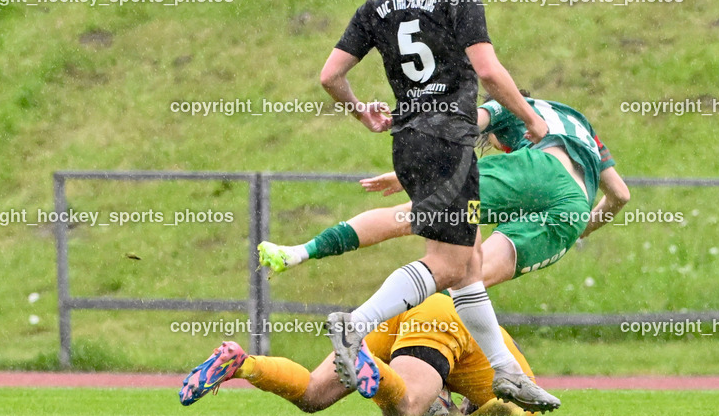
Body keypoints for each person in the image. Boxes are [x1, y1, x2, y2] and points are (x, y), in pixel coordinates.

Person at [317, 0, 559, 411]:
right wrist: (531, 119)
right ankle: (356, 325)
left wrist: (364, 113)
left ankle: (506, 373)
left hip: (408, 142)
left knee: (467, 262)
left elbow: (330, 75)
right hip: (450, 140)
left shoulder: (376, 6)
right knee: (448, 265)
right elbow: (488, 71)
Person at [260, 95, 630, 287]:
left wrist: (408, 175)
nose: (502, 150)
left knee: (411, 219)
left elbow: (462, 129)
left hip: (541, 172)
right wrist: (580, 226)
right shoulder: (580, 124)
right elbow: (620, 196)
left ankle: (304, 252)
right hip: (574, 208)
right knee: (470, 282)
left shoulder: (505, 106)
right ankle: (466, 380)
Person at [178, 294, 536, 416]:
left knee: (313, 394)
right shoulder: (525, 408)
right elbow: (500, 411)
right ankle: (370, 362)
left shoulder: (483, 378)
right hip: (443, 318)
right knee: (409, 406)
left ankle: (242, 363)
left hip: (413, 307)